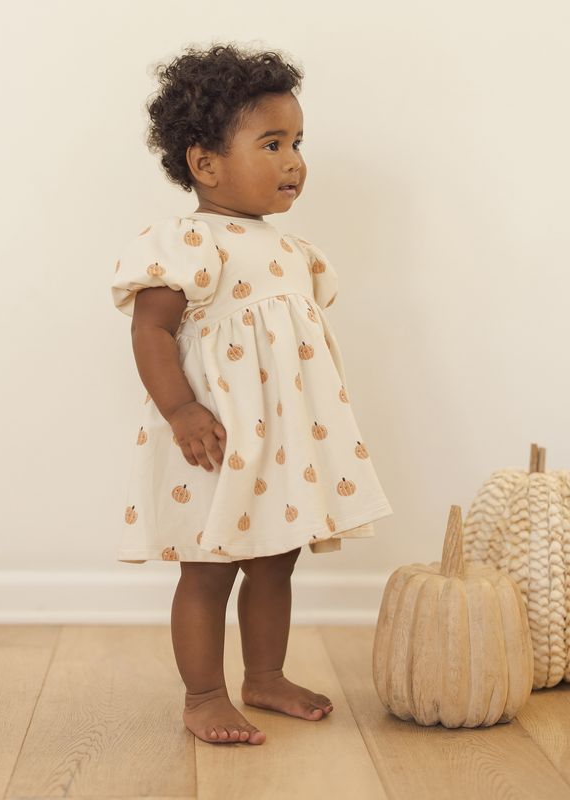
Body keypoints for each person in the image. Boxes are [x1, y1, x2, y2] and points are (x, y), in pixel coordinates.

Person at [110, 43, 393, 746]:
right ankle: (203, 694)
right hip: (216, 439)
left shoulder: (295, 252)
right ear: (205, 163)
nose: (294, 160)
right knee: (211, 571)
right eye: (272, 143)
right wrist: (182, 410)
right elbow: (152, 331)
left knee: (275, 557)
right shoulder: (186, 241)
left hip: (284, 443)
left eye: (298, 142)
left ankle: (264, 675)